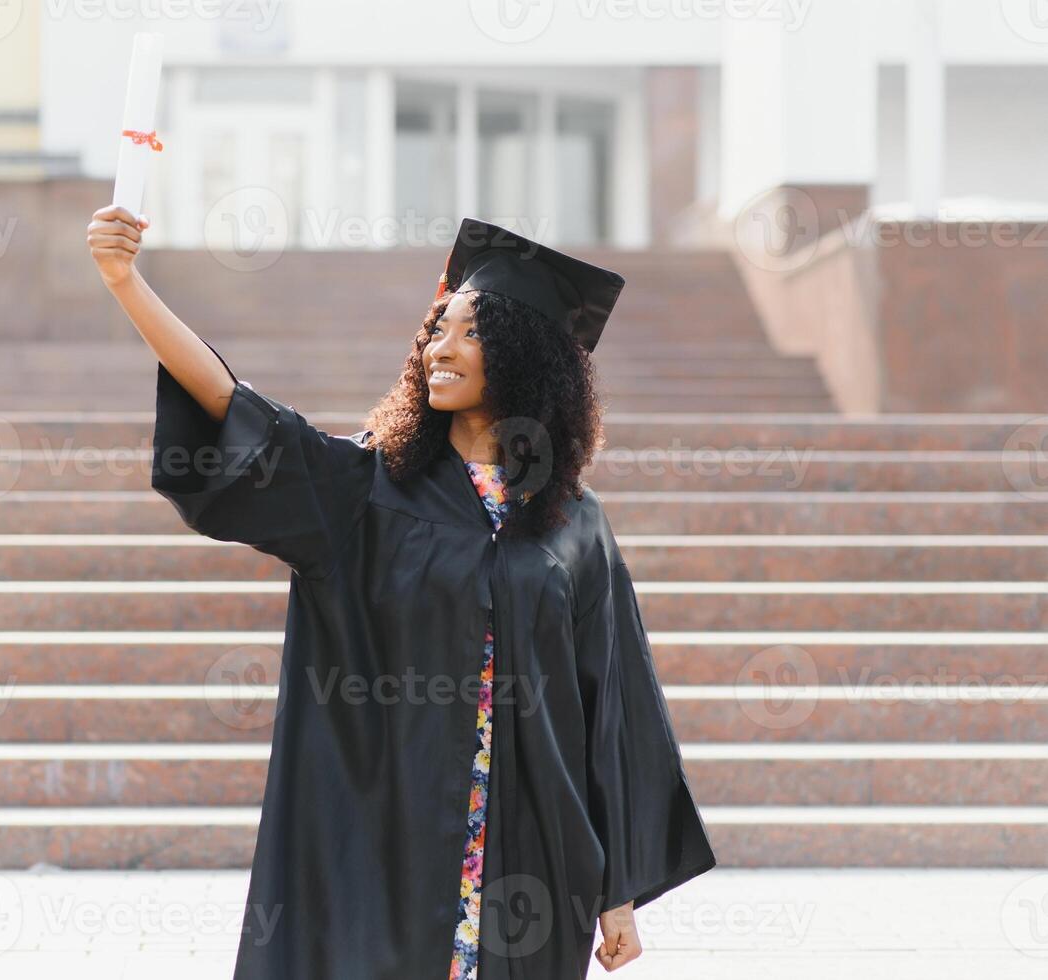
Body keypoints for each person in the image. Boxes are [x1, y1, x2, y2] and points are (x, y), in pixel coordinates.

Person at [86, 206, 718, 980]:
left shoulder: (574, 525)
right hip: (385, 847)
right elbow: (230, 403)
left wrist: (618, 892)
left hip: (532, 860)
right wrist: (126, 282)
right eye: (436, 331)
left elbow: (614, 711)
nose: (439, 350)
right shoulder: (365, 490)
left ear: (526, 358)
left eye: (470, 333)